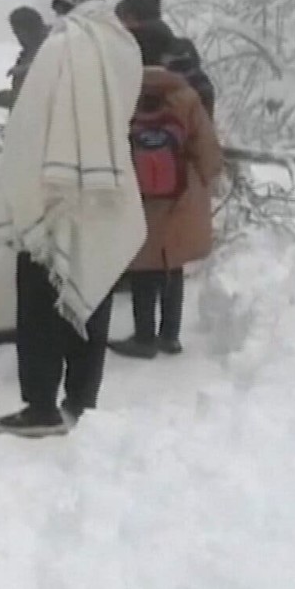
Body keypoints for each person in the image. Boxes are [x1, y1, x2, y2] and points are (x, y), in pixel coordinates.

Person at [0, 0, 148, 438]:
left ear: (63, 6)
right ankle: (82, 401)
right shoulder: (124, 47)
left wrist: (21, 177)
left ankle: (40, 406)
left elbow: (33, 119)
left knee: (40, 301)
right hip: (106, 187)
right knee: (91, 290)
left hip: (54, 189)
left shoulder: (64, 46)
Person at [109, 22, 224, 359]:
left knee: (143, 265)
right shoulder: (185, 95)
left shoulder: (122, 94)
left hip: (136, 192)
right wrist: (203, 179)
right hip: (180, 193)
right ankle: (169, 336)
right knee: (171, 263)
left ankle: (143, 338)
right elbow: (208, 152)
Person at [115, 0, 216, 117]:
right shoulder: (183, 52)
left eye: (120, 22)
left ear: (130, 18)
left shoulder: (124, 52)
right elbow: (204, 95)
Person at [0, 6, 48, 109]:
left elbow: (39, 98)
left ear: (29, 29)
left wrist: (8, 98)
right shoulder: (31, 51)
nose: (17, 38)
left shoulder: (51, 51)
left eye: (18, 33)